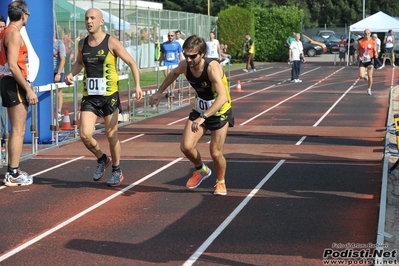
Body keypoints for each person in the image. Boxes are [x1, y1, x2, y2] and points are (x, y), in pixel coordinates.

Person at [65, 8, 143, 186]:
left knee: (111, 134)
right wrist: (71, 74)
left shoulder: (111, 42)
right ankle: (102, 159)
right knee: (84, 135)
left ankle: (117, 169)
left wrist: (138, 85)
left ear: (101, 22)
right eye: (87, 18)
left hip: (109, 97)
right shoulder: (81, 43)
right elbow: (79, 63)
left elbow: (131, 62)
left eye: (93, 18)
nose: (89, 21)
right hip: (90, 98)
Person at [149, 35, 234, 196]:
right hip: (200, 110)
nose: (188, 59)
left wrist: (205, 116)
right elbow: (173, 74)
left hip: (219, 112)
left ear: (202, 54)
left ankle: (221, 181)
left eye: (192, 56)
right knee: (186, 147)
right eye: (186, 55)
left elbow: (222, 97)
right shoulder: (185, 65)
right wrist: (160, 92)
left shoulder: (212, 68)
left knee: (215, 152)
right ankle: (201, 170)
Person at [0, 0, 38, 186]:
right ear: (23, 15)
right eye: (27, 14)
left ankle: (13, 170)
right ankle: (13, 172)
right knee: (18, 130)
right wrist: (28, 89)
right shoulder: (13, 33)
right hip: (14, 83)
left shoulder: (7, 31)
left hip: (9, 82)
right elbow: (13, 66)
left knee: (16, 129)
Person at [159, 30, 183, 97]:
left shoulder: (177, 44)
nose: (170, 37)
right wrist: (160, 62)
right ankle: (168, 91)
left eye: (172, 36)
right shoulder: (164, 44)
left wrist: (181, 62)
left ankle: (172, 91)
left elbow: (180, 54)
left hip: (174, 63)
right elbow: (162, 54)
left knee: (173, 78)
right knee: (167, 77)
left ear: (174, 36)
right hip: (166, 63)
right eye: (169, 36)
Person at [357, 29, 377, 96]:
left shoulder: (373, 41)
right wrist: (359, 56)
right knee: (361, 76)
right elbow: (357, 50)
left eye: (368, 33)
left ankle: (369, 89)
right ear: (364, 34)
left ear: (370, 34)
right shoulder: (360, 41)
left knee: (370, 76)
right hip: (362, 60)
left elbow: (375, 50)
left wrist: (376, 54)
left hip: (370, 60)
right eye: (365, 33)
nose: (367, 35)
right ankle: (365, 76)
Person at [53, 35, 66, 121]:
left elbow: (63, 59)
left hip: (57, 71)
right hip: (48, 72)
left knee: (58, 91)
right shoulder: (45, 44)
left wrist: (58, 73)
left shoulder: (59, 44)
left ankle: (58, 112)